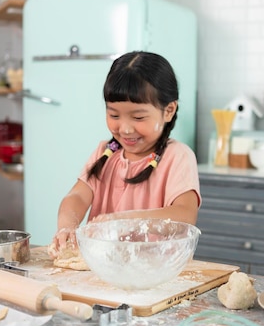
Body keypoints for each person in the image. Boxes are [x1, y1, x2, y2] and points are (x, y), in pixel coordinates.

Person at [50, 51, 200, 257]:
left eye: (138, 117)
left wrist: (127, 222)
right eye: (114, 115)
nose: (125, 129)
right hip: (105, 269)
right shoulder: (105, 152)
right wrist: (67, 226)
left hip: (157, 273)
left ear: (168, 111)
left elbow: (185, 215)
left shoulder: (178, 156)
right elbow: (76, 196)